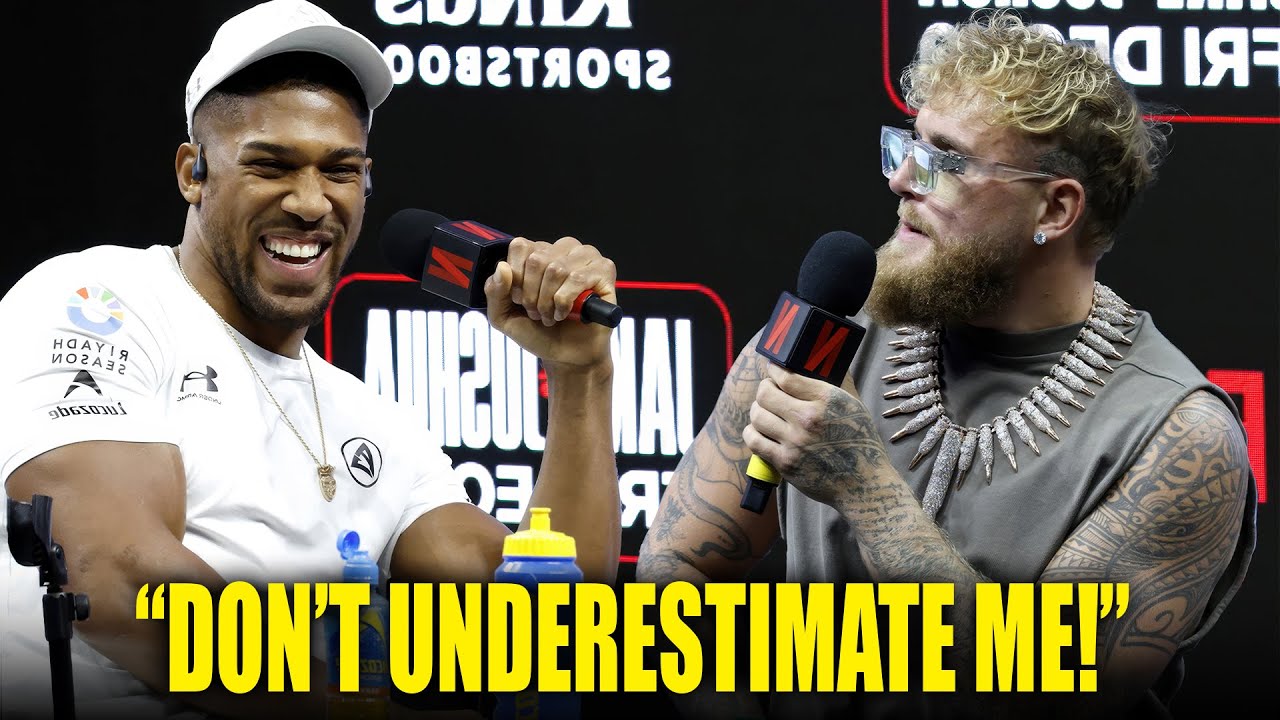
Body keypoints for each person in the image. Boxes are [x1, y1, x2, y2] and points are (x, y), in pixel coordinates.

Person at [0, 1, 620, 718]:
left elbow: (544, 634)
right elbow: (115, 578)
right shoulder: (100, 300)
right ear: (193, 172)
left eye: (339, 170)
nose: (309, 202)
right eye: (271, 165)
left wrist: (581, 377)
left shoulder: (375, 422)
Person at [638, 10, 1255, 720]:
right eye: (908, 145)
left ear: (1055, 209)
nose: (902, 179)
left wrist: (868, 490)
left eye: (948, 161)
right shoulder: (832, 326)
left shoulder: (1179, 437)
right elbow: (675, 570)